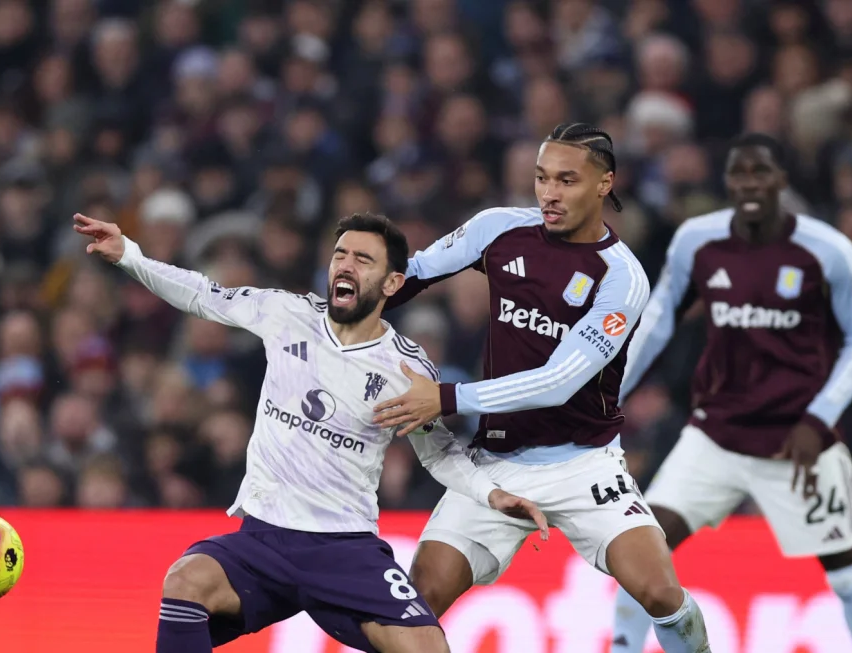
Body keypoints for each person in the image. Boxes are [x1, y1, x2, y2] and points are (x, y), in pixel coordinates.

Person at [74, 211, 549, 653]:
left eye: (363, 259)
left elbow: (437, 452)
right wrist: (129, 256)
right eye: (340, 254)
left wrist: (491, 495)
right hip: (264, 539)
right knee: (185, 580)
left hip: (344, 548)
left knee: (428, 646)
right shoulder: (286, 314)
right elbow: (202, 293)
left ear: (392, 282)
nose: (345, 265)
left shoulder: (406, 368)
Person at [373, 122, 711, 652]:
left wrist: (444, 398)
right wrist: (343, 307)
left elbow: (558, 382)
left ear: (604, 184)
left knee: (662, 592)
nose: (550, 194)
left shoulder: (621, 277)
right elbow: (411, 274)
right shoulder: (498, 230)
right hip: (496, 463)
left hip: (584, 464)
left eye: (567, 180)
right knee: (416, 604)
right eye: (541, 178)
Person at [609, 133, 852, 653]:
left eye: (761, 172)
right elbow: (658, 319)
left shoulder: (827, 250)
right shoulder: (697, 240)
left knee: (847, 574)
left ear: (782, 179)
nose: (750, 184)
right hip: (714, 433)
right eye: (740, 174)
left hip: (797, 443)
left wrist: (817, 418)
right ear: (728, 181)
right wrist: (612, 390)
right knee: (642, 550)